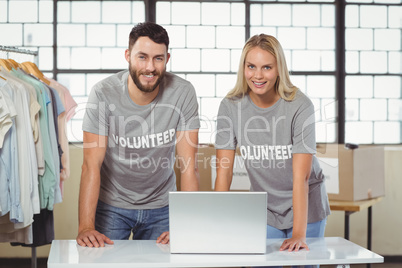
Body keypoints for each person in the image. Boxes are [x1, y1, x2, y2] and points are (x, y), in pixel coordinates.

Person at [76, 22, 200, 248]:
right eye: (142, 57)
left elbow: (188, 166)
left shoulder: (183, 92)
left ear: (167, 58)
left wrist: (187, 224)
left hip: (162, 205)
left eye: (158, 58)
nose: (150, 67)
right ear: (128, 56)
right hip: (112, 205)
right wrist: (85, 226)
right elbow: (90, 165)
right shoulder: (103, 93)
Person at [214, 34, 330, 255]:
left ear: (279, 70)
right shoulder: (230, 106)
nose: (258, 75)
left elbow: (302, 177)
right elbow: (224, 171)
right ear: (243, 67)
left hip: (307, 205)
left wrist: (298, 234)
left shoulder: (299, 105)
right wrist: (217, 222)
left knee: (303, 261)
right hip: (265, 209)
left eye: (267, 67)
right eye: (251, 66)